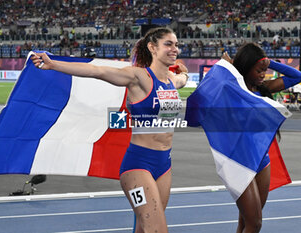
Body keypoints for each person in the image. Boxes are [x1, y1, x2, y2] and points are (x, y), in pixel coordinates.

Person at [31, 27, 188, 233]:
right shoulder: (139, 77)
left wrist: (183, 71)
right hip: (138, 166)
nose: (174, 48)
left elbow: (183, 79)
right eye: (168, 44)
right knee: (158, 229)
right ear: (152, 47)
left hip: (164, 165)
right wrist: (54, 65)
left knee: (144, 227)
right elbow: (98, 72)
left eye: (176, 44)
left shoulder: (171, 81)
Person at [222, 43, 301, 233]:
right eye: (259, 70)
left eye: (265, 71)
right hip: (239, 162)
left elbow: (297, 76)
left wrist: (269, 62)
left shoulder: (264, 89)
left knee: (246, 222)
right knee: (255, 223)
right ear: (247, 67)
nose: (263, 75)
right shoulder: (232, 89)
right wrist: (231, 69)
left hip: (262, 161)